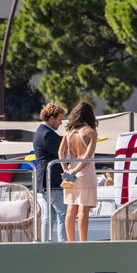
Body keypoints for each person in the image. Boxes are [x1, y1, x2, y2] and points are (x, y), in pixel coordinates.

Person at [58, 102, 99, 242]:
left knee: (70, 209)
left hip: (69, 173)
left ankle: (70, 243)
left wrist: (66, 170)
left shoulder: (69, 132)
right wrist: (76, 170)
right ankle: (83, 243)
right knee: (83, 210)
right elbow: (88, 157)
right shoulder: (91, 132)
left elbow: (60, 152)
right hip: (85, 173)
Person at [33, 103, 68, 242]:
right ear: (52, 118)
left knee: (49, 217)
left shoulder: (41, 132)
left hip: (45, 181)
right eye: (59, 119)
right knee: (62, 214)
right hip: (51, 181)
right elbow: (62, 151)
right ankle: (63, 245)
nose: (60, 123)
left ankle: (45, 244)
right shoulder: (47, 134)